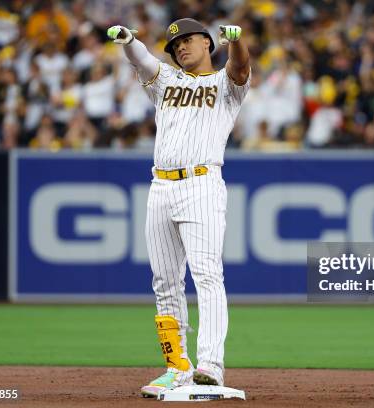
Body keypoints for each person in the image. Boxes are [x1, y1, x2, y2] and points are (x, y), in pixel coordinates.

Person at [107, 19, 250, 397]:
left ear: (207, 42)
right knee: (164, 283)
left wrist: (236, 43)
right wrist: (129, 40)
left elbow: (240, 69)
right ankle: (177, 366)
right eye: (175, 45)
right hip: (160, 186)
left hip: (202, 184)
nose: (180, 48)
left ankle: (210, 365)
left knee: (206, 275)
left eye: (187, 40)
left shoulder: (224, 84)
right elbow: (143, 62)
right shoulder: (168, 80)